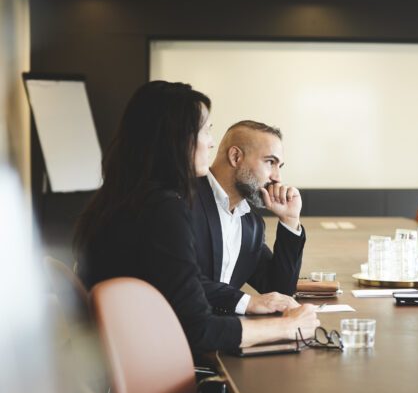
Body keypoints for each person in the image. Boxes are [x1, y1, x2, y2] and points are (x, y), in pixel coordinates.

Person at [75, 81, 318, 354]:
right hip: (155, 361)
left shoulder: (126, 198)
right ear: (176, 138)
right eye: (205, 130)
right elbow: (196, 327)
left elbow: (277, 292)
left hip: (124, 358)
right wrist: (285, 328)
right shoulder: (167, 208)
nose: (211, 142)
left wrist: (290, 221)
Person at [190, 120, 305, 316]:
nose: (277, 177)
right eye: (270, 162)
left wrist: (290, 220)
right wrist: (247, 302)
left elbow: (280, 290)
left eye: (280, 166)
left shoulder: (251, 225)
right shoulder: (183, 200)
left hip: (224, 337)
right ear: (236, 157)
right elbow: (180, 280)